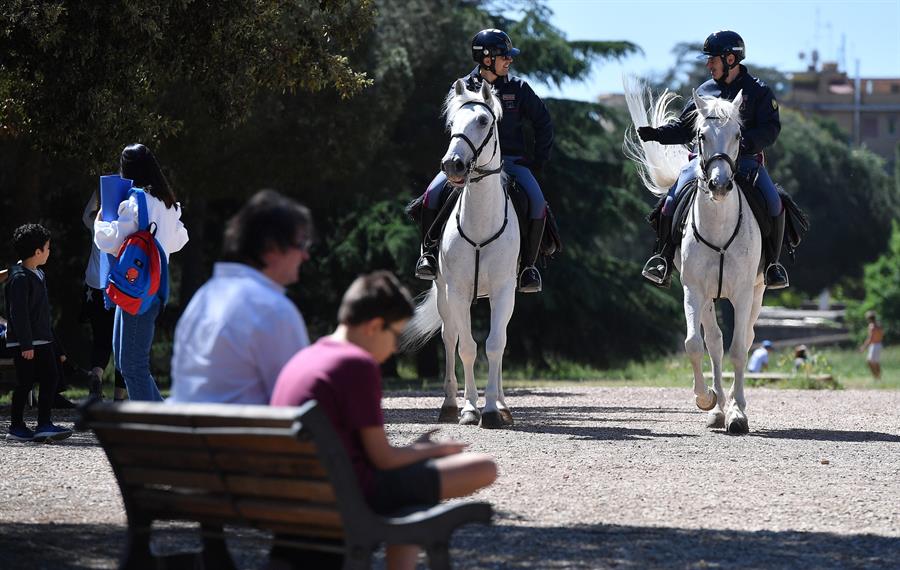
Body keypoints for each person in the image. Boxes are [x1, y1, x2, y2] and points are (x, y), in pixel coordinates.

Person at [271, 271, 497, 570]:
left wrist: (414, 453)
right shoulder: (356, 364)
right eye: (395, 336)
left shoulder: (304, 358)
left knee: (412, 495)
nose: (394, 349)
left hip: (295, 493)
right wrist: (433, 451)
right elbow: (384, 458)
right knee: (483, 467)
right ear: (374, 326)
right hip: (345, 495)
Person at [637, 30, 789, 290]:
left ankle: (773, 265)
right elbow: (685, 129)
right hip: (702, 164)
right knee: (670, 201)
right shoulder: (705, 91)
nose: (708, 65)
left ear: (730, 59)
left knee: (775, 204)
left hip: (747, 162)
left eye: (712, 59)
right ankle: (662, 258)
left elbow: (771, 128)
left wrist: (745, 143)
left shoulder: (759, 91)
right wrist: (657, 134)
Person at [415, 28, 554, 293]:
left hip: (511, 161)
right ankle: (429, 254)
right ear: (487, 59)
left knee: (537, 203)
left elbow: (543, 123)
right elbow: (452, 128)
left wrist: (537, 163)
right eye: (505, 56)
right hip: (465, 162)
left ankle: (528, 267)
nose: (509, 61)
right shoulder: (462, 87)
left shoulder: (519, 89)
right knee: (430, 196)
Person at [168, 190, 312, 404]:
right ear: (271, 246)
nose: (305, 255)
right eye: (301, 244)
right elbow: (302, 402)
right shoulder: (273, 309)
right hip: (245, 437)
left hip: (186, 435)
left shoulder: (204, 297)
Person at [94, 144, 189, 401]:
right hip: (155, 284)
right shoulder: (169, 203)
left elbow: (112, 242)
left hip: (135, 286)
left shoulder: (136, 201)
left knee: (132, 366)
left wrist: (100, 222)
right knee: (127, 364)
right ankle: (165, 421)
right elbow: (181, 239)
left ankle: (160, 427)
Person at [4, 224, 72, 442]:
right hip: (27, 344)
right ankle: (16, 427)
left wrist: (57, 347)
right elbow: (19, 314)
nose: (49, 251)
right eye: (47, 247)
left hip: (42, 341)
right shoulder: (20, 278)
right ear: (37, 252)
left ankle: (44, 423)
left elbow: (42, 316)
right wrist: (26, 345)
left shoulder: (38, 274)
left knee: (51, 377)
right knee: (24, 383)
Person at [81, 190, 127, 400]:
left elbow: (86, 215)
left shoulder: (98, 224)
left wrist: (99, 190)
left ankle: (96, 374)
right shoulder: (127, 227)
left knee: (101, 339)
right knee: (122, 342)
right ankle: (119, 395)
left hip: (95, 286)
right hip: (120, 288)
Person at [860, 310, 884, 380]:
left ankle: (876, 377)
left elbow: (870, 338)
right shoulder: (879, 325)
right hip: (879, 344)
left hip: (874, 345)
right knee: (876, 362)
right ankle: (878, 377)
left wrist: (863, 347)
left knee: (870, 361)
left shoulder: (872, 326)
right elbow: (881, 335)